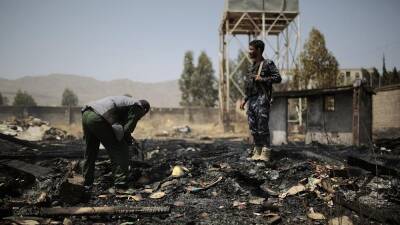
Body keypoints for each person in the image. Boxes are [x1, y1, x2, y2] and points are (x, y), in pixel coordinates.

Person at [81, 96, 150, 188]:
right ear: (144, 110)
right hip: (99, 117)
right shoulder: (138, 107)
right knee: (120, 150)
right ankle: (120, 184)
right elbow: (127, 129)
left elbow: (119, 126)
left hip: (87, 114)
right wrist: (128, 142)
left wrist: (127, 137)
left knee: (90, 151)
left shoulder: (126, 103)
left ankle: (87, 182)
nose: (140, 117)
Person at [240, 40, 282, 161]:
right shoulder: (251, 66)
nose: (249, 52)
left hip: (262, 98)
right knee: (253, 127)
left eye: (251, 49)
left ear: (258, 50)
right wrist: (245, 99)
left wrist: (263, 78)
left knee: (262, 126)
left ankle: (266, 152)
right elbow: (249, 86)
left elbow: (278, 78)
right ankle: (257, 151)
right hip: (252, 99)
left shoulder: (268, 63)